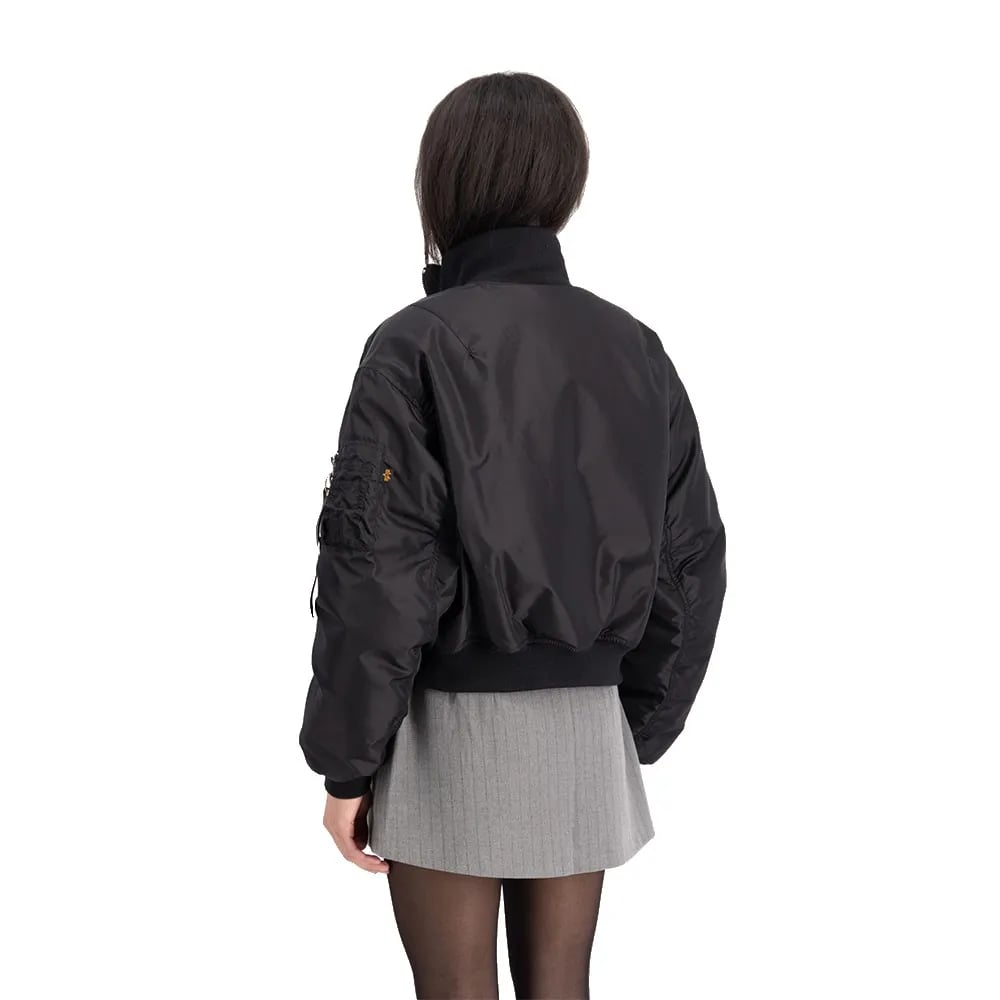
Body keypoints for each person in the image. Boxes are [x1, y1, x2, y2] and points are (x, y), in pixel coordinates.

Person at [299, 70, 727, 1000]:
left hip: (450, 726)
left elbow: (378, 573)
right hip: (585, 724)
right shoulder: (634, 347)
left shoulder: (414, 343)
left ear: (441, 182)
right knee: (561, 986)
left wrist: (345, 762)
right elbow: (691, 561)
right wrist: (629, 724)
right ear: (562, 182)